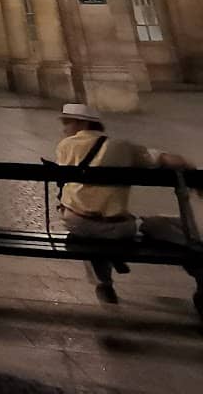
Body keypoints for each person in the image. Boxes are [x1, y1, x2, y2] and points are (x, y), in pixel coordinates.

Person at [54, 102, 199, 304]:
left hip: (75, 222)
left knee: (90, 234)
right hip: (117, 229)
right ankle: (199, 265)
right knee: (164, 226)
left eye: (67, 122)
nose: (64, 128)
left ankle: (104, 283)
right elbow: (163, 159)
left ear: (81, 123)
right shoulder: (123, 147)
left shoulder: (64, 147)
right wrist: (190, 167)